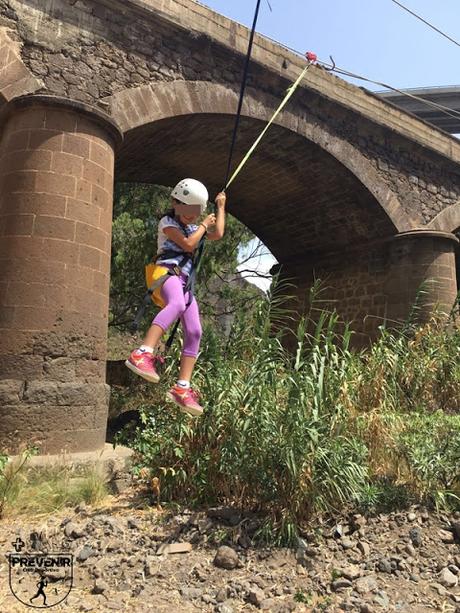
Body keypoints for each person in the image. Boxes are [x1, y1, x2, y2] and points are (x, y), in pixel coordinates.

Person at [125, 179, 226, 416]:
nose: (190, 216)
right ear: (175, 203)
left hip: (184, 285)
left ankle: (182, 388)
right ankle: (142, 353)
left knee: (195, 331)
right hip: (166, 275)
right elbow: (189, 245)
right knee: (177, 304)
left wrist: (220, 206)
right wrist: (202, 225)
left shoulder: (195, 228)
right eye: (187, 209)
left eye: (195, 211)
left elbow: (218, 233)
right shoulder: (167, 223)